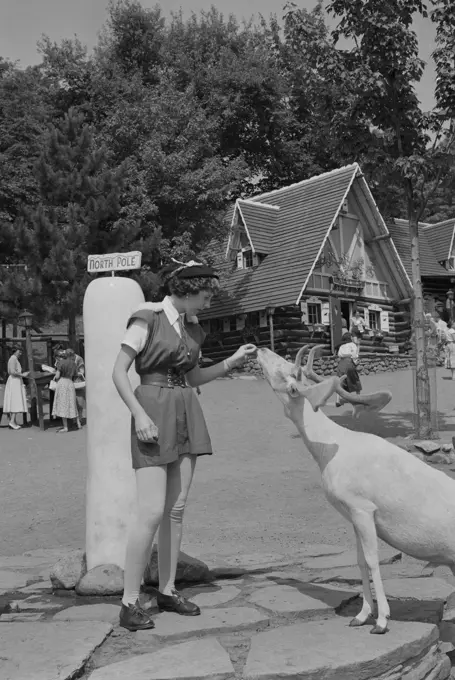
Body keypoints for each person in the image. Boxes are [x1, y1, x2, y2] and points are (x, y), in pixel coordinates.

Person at [112, 260, 257, 632]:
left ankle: (167, 589)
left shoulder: (193, 329)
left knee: (176, 509)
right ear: (188, 290)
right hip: (153, 409)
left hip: (185, 408)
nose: (208, 304)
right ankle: (129, 602)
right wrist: (139, 415)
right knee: (149, 511)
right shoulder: (147, 317)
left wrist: (232, 362)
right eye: (206, 297)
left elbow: (193, 376)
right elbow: (118, 371)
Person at [52, 353, 81, 432]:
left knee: (63, 404)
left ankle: (65, 427)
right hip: (70, 383)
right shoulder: (73, 363)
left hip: (62, 383)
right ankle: (78, 423)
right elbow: (76, 375)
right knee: (72, 403)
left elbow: (57, 376)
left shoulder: (60, 363)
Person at [3, 346, 28, 429]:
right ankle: (12, 421)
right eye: (19, 351)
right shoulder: (13, 359)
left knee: (16, 399)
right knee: (15, 400)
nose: (20, 353)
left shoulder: (14, 359)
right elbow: (12, 371)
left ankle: (14, 421)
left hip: (16, 380)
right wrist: (22, 374)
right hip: (14, 381)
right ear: (15, 351)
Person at [335, 332, 362, 406]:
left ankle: (337, 400)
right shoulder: (353, 345)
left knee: (340, 381)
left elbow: (339, 355)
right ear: (349, 338)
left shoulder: (341, 346)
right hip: (349, 363)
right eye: (351, 337)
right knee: (355, 379)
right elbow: (355, 356)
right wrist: (356, 363)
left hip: (341, 365)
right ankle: (358, 398)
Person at [66, 348, 85, 423]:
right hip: (69, 380)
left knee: (79, 400)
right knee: (70, 400)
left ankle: (79, 417)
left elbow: (82, 371)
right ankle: (73, 418)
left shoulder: (79, 359)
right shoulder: (66, 359)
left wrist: (73, 373)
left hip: (78, 381)